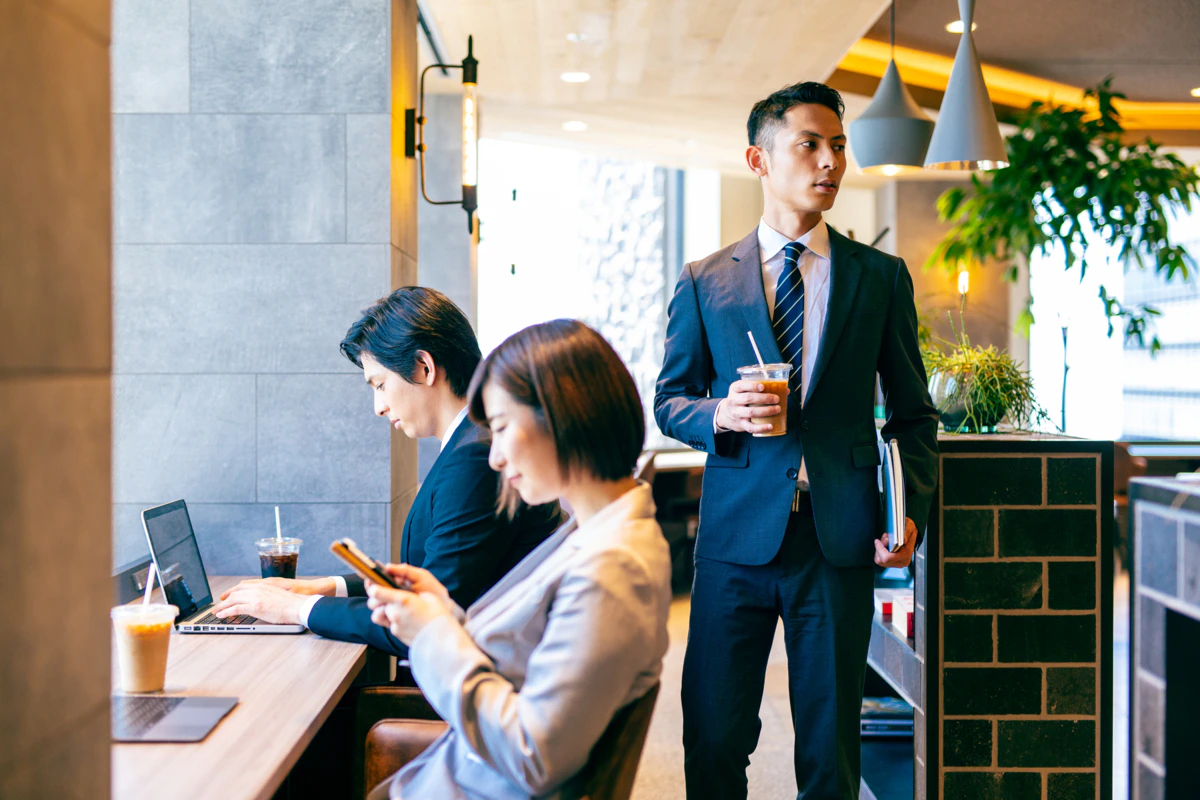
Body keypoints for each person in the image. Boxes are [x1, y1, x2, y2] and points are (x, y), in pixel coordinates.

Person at [654, 81, 940, 799]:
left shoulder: (879, 278)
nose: (830, 162)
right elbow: (669, 401)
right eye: (809, 145)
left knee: (829, 748)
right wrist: (719, 412)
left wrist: (908, 511)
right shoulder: (703, 281)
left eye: (838, 145)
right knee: (714, 737)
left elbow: (913, 415)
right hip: (731, 542)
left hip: (836, 539)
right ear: (759, 159)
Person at [362, 319, 672, 800]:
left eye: (503, 429)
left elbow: (534, 755)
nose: (495, 458)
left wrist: (431, 634)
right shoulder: (590, 532)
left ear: (564, 416)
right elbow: (525, 651)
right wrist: (444, 612)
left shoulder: (614, 568)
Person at [212, 287, 561, 657]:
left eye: (380, 384)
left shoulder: (476, 458)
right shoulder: (471, 441)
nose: (379, 406)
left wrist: (295, 610)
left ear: (424, 368)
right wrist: (327, 588)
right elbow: (432, 581)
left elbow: (425, 619)